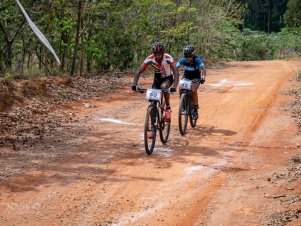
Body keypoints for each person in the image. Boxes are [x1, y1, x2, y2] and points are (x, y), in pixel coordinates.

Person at [132, 41, 179, 121]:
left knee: (164, 87)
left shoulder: (168, 58)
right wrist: (134, 85)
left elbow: (176, 72)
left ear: (163, 53)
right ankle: (153, 127)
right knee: (152, 101)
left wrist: (174, 86)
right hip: (157, 79)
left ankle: (167, 108)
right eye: (155, 54)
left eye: (159, 54)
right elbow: (139, 71)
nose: (157, 56)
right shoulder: (150, 59)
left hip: (167, 78)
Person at [176, 45, 206, 120]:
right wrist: (173, 74)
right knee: (181, 87)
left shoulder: (197, 59)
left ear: (193, 55)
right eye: (186, 56)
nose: (188, 58)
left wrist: (203, 77)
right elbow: (176, 68)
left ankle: (195, 110)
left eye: (189, 56)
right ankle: (183, 103)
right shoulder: (183, 59)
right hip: (187, 75)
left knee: (193, 90)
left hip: (196, 76)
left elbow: (203, 68)